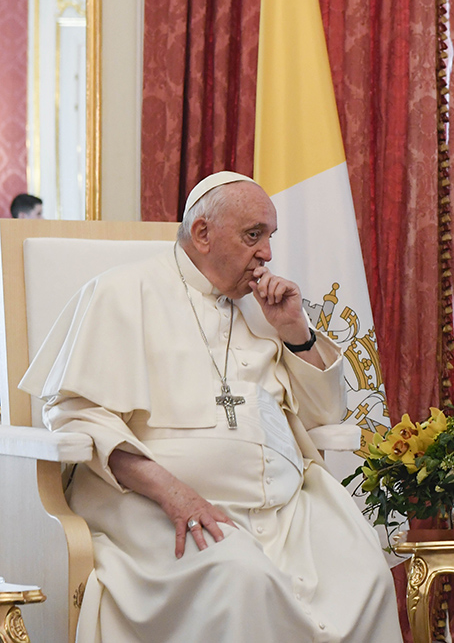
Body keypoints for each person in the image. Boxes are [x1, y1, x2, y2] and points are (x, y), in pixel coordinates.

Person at [19, 172, 403, 643]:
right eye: (252, 235)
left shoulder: (265, 312)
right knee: (241, 578)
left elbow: (325, 417)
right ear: (202, 234)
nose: (266, 254)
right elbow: (77, 416)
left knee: (366, 574)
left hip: (287, 515)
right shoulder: (121, 292)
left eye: (269, 237)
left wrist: (295, 332)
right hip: (159, 509)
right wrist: (170, 491)